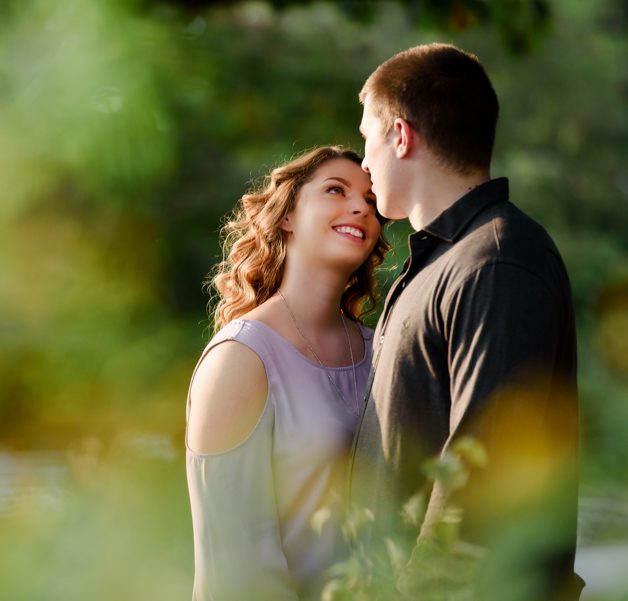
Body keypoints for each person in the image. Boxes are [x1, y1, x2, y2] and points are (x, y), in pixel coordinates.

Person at [349, 43, 583, 599]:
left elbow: (481, 476)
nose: (363, 165)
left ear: (400, 136)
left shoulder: (498, 261)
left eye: (366, 138)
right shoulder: (441, 262)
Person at [185, 145, 389, 601]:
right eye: (335, 190)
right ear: (287, 217)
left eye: (372, 201)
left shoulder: (384, 348)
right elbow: (235, 569)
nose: (361, 207)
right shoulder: (240, 358)